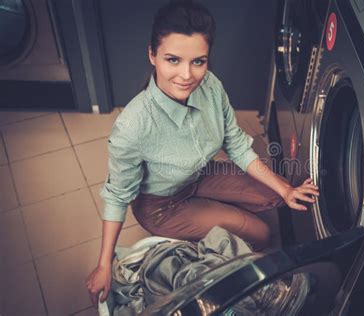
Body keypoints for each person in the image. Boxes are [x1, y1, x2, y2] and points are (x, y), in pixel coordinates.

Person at [86, 0, 319, 307]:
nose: (187, 75)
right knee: (261, 234)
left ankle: (220, 214)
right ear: (152, 55)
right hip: (163, 205)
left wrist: (287, 190)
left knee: (273, 198)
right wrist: (104, 265)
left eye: (198, 61)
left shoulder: (210, 86)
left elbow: (235, 143)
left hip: (200, 174)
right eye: (173, 60)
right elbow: (117, 196)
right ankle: (209, 227)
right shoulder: (133, 126)